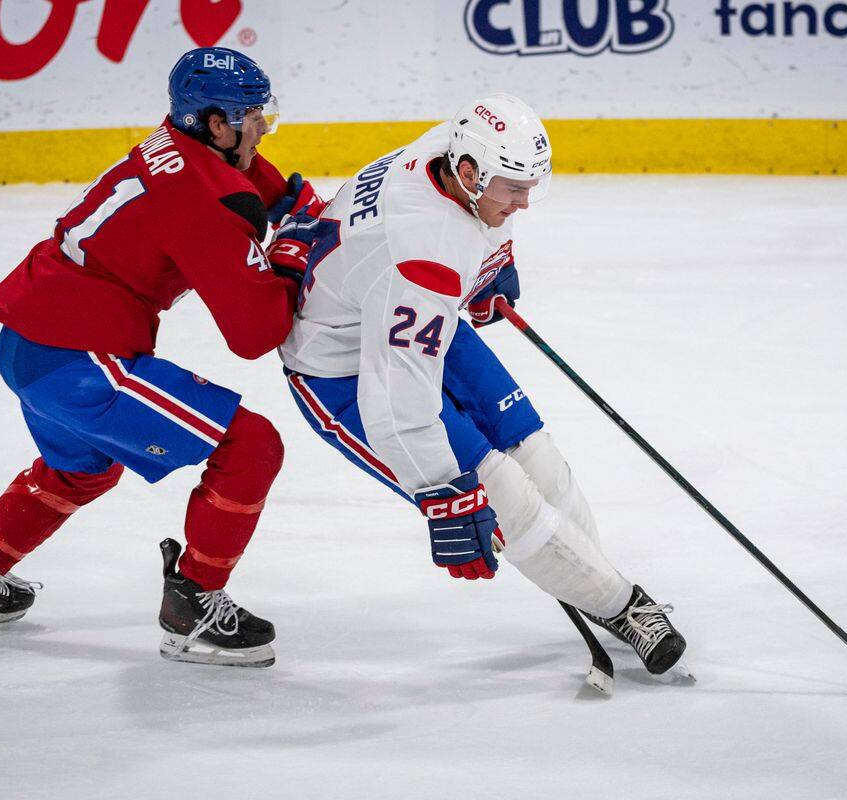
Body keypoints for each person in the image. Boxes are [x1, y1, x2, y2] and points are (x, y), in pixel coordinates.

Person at [0, 47, 323, 668]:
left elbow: (260, 186)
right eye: (253, 117)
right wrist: (294, 253)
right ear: (216, 123)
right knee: (252, 446)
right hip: (81, 359)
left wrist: (298, 207)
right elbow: (255, 332)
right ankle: (195, 605)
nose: (263, 128)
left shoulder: (176, 146)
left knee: (82, 470)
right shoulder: (202, 195)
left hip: (29, 344)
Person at [270, 94, 686, 676]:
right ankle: (622, 603)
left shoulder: (452, 147)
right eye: (513, 189)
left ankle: (596, 584)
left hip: (404, 315)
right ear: (469, 174)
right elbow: (398, 406)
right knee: (504, 494)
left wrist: (490, 267)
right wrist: (443, 492)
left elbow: (474, 231)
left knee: (535, 454)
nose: (523, 203)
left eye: (529, 186)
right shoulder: (426, 255)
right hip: (342, 369)